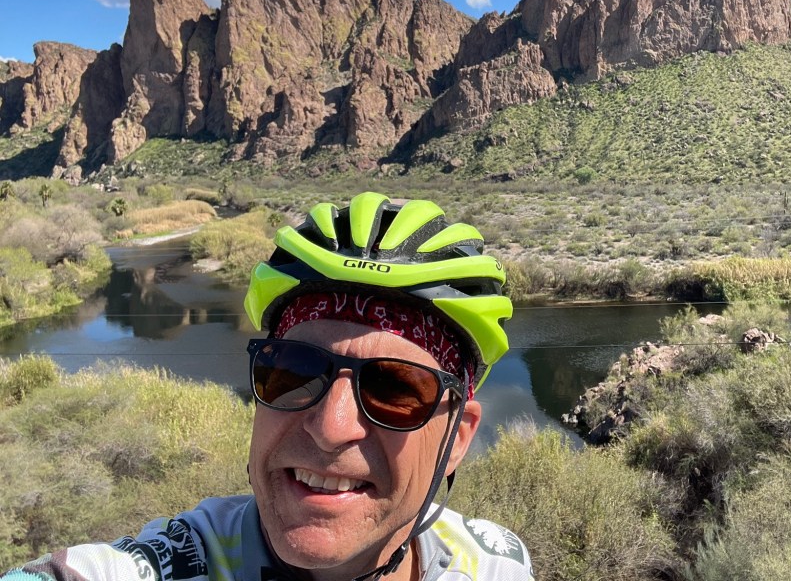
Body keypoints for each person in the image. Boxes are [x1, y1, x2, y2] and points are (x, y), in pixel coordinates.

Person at [4, 192, 534, 581]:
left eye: (395, 389)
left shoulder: (496, 564)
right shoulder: (177, 563)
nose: (331, 428)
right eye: (295, 371)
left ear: (457, 437)